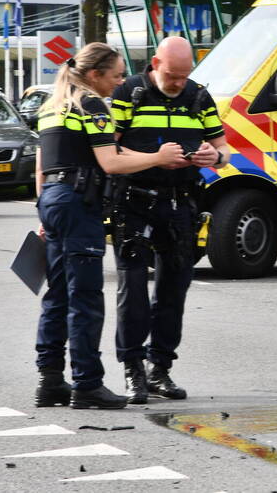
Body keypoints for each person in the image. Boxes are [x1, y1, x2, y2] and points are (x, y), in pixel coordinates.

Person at [35, 43, 185, 410]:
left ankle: (50, 379)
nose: (120, 82)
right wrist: (158, 157)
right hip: (78, 203)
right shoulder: (91, 105)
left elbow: (43, 166)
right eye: (116, 75)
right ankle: (87, 384)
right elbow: (110, 163)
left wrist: (44, 214)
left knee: (57, 294)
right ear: (94, 74)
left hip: (53, 200)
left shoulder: (53, 106)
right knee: (85, 297)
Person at [109, 36, 229, 404]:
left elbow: (222, 147)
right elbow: (108, 148)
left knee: (174, 290)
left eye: (185, 75)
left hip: (180, 204)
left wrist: (214, 157)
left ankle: (159, 368)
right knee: (133, 290)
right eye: (173, 75)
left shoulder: (198, 97)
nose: (179, 83)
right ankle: (132, 370)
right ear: (156, 64)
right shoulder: (128, 93)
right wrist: (155, 158)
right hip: (134, 202)